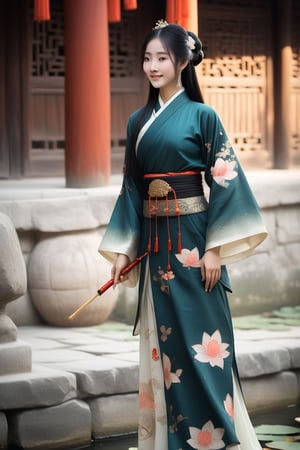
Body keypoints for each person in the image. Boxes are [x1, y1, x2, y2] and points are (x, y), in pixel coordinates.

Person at [99, 19, 267, 450]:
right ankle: (172, 440)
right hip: (156, 250)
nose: (152, 66)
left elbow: (226, 180)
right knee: (169, 349)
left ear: (183, 60)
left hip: (195, 245)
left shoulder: (203, 115)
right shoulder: (139, 121)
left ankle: (220, 440)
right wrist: (122, 250)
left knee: (203, 348)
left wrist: (214, 250)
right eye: (147, 58)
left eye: (162, 58)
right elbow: (132, 189)